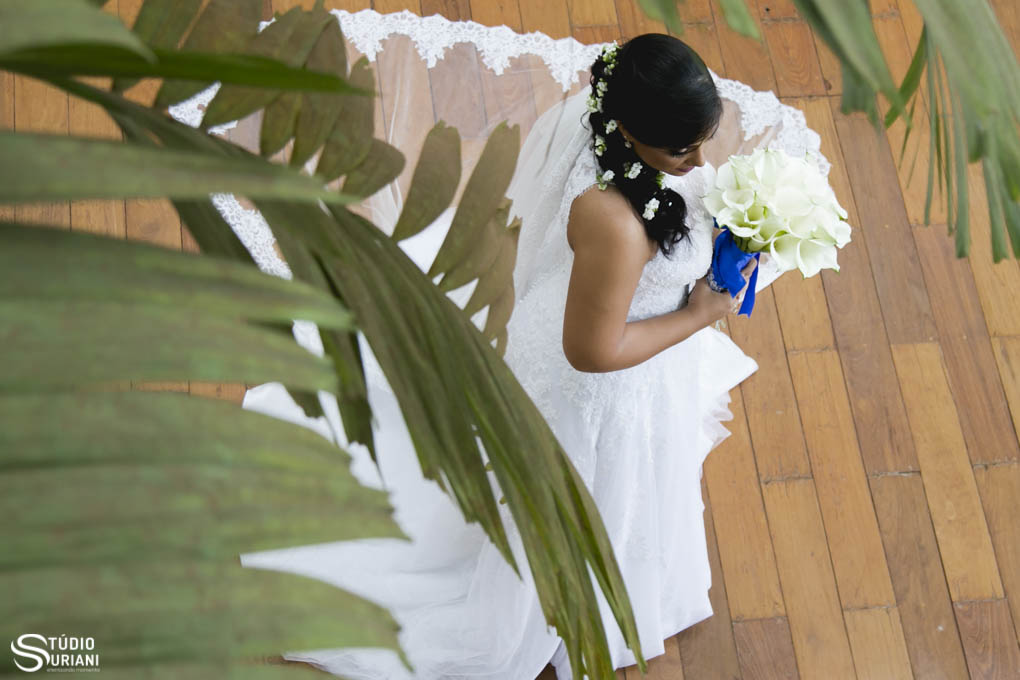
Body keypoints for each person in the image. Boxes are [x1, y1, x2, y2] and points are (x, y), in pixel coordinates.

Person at [191, 8, 831, 679]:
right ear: (636, 132)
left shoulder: (627, 121)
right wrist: (703, 314)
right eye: (683, 152)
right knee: (577, 486)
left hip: (610, 326)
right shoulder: (613, 224)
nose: (702, 162)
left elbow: (711, 142)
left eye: (701, 142)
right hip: (591, 377)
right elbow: (593, 352)